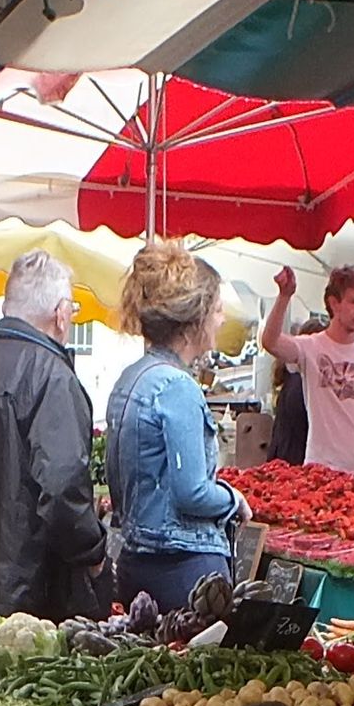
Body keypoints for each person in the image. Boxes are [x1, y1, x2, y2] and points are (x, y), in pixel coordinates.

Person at [0, 248, 109, 622]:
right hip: (48, 593)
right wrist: (93, 555)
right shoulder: (53, 378)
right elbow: (63, 490)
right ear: (61, 313)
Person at [103, 239, 242, 611]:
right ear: (194, 320)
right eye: (216, 309)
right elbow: (192, 492)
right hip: (184, 567)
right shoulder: (177, 386)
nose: (222, 318)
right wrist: (234, 499)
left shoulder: (131, 378)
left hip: (135, 559)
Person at [259, 262, 354, 476]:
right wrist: (284, 296)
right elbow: (270, 341)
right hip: (321, 470)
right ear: (334, 303)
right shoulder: (311, 347)